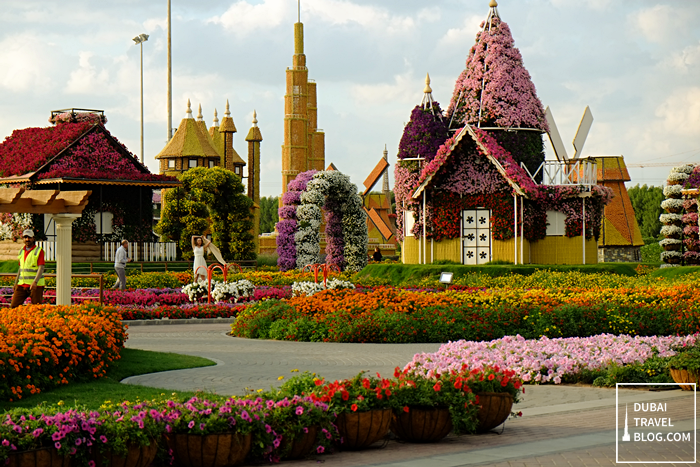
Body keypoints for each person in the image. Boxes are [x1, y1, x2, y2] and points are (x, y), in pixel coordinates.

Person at [11, 229, 45, 308]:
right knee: (13, 307)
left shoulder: (38, 251)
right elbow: (21, 268)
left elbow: (41, 267)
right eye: (25, 237)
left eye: (29, 237)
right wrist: (16, 282)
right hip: (22, 284)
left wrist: (35, 282)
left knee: (37, 308)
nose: (27, 239)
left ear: (33, 238)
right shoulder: (21, 251)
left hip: (36, 285)